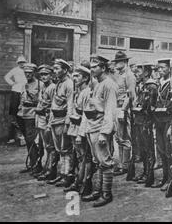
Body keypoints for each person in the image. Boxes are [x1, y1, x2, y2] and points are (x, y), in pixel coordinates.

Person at [81, 55, 118, 207]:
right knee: (97, 161)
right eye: (90, 67)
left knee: (105, 161)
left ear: (103, 68)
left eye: (95, 67)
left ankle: (106, 194)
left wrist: (105, 132)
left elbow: (110, 110)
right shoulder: (97, 84)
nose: (91, 69)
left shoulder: (109, 84)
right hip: (92, 126)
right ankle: (98, 191)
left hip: (100, 126)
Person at [64, 65, 93, 196]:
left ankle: (84, 184)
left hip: (82, 129)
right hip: (74, 127)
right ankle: (78, 181)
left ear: (86, 78)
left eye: (78, 76)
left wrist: (81, 135)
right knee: (79, 157)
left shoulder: (87, 92)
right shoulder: (78, 92)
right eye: (74, 76)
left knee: (85, 158)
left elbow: (86, 116)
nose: (74, 78)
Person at [152, 58, 172, 189]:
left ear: (169, 69)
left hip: (169, 120)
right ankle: (164, 177)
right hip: (159, 120)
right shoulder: (159, 83)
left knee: (170, 151)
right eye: (159, 68)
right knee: (161, 149)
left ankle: (171, 179)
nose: (160, 70)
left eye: (163, 68)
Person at [46, 59, 74, 187]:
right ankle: (62, 174)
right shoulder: (58, 83)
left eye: (58, 69)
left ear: (65, 70)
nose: (55, 71)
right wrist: (50, 122)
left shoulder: (69, 84)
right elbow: (54, 104)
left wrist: (67, 124)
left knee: (66, 150)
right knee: (59, 149)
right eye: (54, 69)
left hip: (63, 121)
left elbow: (70, 104)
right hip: (55, 121)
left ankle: (67, 176)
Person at [130, 64, 158, 186]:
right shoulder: (140, 85)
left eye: (139, 70)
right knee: (142, 148)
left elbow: (151, 106)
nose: (136, 72)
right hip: (139, 120)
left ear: (146, 72)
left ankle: (149, 173)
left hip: (146, 121)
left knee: (148, 149)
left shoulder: (151, 86)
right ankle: (145, 172)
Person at [111, 51, 136, 176]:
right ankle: (121, 164)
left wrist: (123, 110)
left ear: (125, 62)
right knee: (119, 138)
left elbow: (130, 95)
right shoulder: (119, 75)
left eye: (118, 62)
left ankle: (125, 165)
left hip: (124, 109)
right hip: (117, 107)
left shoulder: (129, 75)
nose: (116, 64)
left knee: (124, 138)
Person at [17, 63, 43, 173]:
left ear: (34, 73)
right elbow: (21, 99)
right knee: (28, 141)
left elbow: (42, 101)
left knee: (32, 140)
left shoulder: (40, 84)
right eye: (26, 72)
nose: (27, 74)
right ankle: (32, 164)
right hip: (22, 115)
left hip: (32, 115)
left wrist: (32, 103)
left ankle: (37, 165)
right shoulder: (23, 84)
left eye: (30, 72)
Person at [32, 65, 56, 179]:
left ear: (51, 75)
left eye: (46, 74)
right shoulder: (43, 87)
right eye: (41, 75)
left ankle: (50, 170)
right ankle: (44, 168)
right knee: (42, 145)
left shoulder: (52, 87)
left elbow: (53, 106)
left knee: (50, 146)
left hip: (47, 119)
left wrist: (49, 123)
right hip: (40, 119)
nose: (43, 77)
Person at [5, 55, 27, 145]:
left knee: (22, 114)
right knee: (14, 115)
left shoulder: (27, 70)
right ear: (18, 63)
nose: (22, 64)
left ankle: (22, 137)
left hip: (24, 92)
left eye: (23, 62)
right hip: (15, 92)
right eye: (20, 63)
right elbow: (6, 77)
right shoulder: (15, 70)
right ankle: (12, 137)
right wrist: (12, 83)